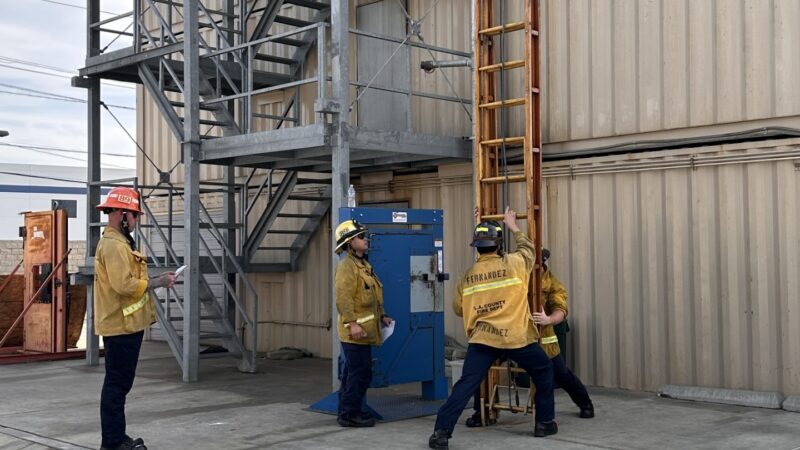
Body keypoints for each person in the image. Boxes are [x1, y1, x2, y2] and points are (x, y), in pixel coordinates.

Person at [429, 207, 557, 450]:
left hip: (483, 340)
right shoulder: (516, 264)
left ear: (477, 247)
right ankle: (544, 423)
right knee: (543, 370)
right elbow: (530, 250)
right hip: (517, 338)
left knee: (466, 384)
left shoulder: (468, 276)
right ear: (499, 245)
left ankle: (441, 433)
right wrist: (513, 225)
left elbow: (458, 308)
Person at [463, 248, 594, 428]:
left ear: (542, 264)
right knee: (484, 371)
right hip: (510, 335)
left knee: (560, 373)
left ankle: (584, 403)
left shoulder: (551, 283)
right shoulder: (513, 272)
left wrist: (549, 319)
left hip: (542, 340)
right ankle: (481, 412)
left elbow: (561, 309)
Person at [94, 187, 176, 450]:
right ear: (122, 213)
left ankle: (116, 438)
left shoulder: (121, 242)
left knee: (119, 385)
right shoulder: (115, 245)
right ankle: (113, 443)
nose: (137, 220)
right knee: (117, 386)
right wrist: (158, 282)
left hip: (126, 326)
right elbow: (124, 285)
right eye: (135, 215)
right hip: (121, 328)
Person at [334, 219, 392, 428]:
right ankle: (350, 414)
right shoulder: (346, 266)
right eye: (360, 237)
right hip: (355, 333)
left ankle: (347, 410)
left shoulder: (364, 265)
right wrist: (352, 324)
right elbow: (343, 298)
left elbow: (372, 296)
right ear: (350, 243)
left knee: (354, 372)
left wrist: (383, 315)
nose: (365, 239)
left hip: (365, 331)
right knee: (360, 373)